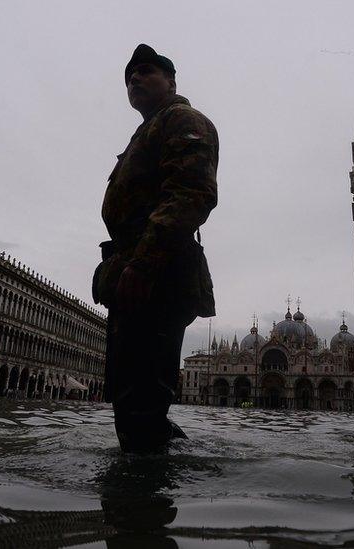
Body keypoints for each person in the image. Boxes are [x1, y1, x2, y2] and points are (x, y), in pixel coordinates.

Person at [93, 44, 218, 453]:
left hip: (156, 275)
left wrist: (143, 266)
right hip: (139, 274)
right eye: (130, 75)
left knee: (141, 401)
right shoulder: (147, 131)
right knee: (132, 399)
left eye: (146, 72)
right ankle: (159, 476)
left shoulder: (180, 119)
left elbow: (190, 194)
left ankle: (145, 503)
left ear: (171, 81)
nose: (135, 79)